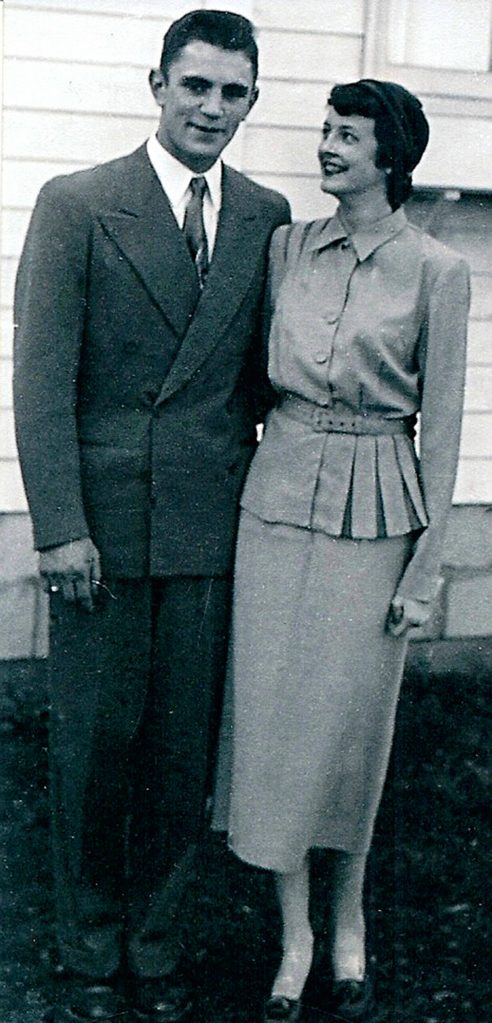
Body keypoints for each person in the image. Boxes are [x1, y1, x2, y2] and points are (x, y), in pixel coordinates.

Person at [13, 10, 290, 1023]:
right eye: (197, 86)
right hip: (99, 530)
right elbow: (41, 381)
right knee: (93, 746)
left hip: (211, 532)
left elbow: (266, 381)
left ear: (251, 101)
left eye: (234, 91)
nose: (213, 107)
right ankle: (89, 945)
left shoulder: (265, 215)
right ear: (157, 84)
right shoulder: (80, 203)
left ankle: (155, 938)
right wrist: (57, 526)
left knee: (180, 753)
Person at [213, 79, 470, 1022]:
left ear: (391, 155)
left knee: (349, 727)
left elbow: (438, 431)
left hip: (377, 510)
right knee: (274, 721)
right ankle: (296, 935)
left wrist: (426, 566)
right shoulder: (286, 248)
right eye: (324, 131)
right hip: (276, 500)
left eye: (346, 136)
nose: (325, 147)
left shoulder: (437, 270)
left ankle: (349, 915)